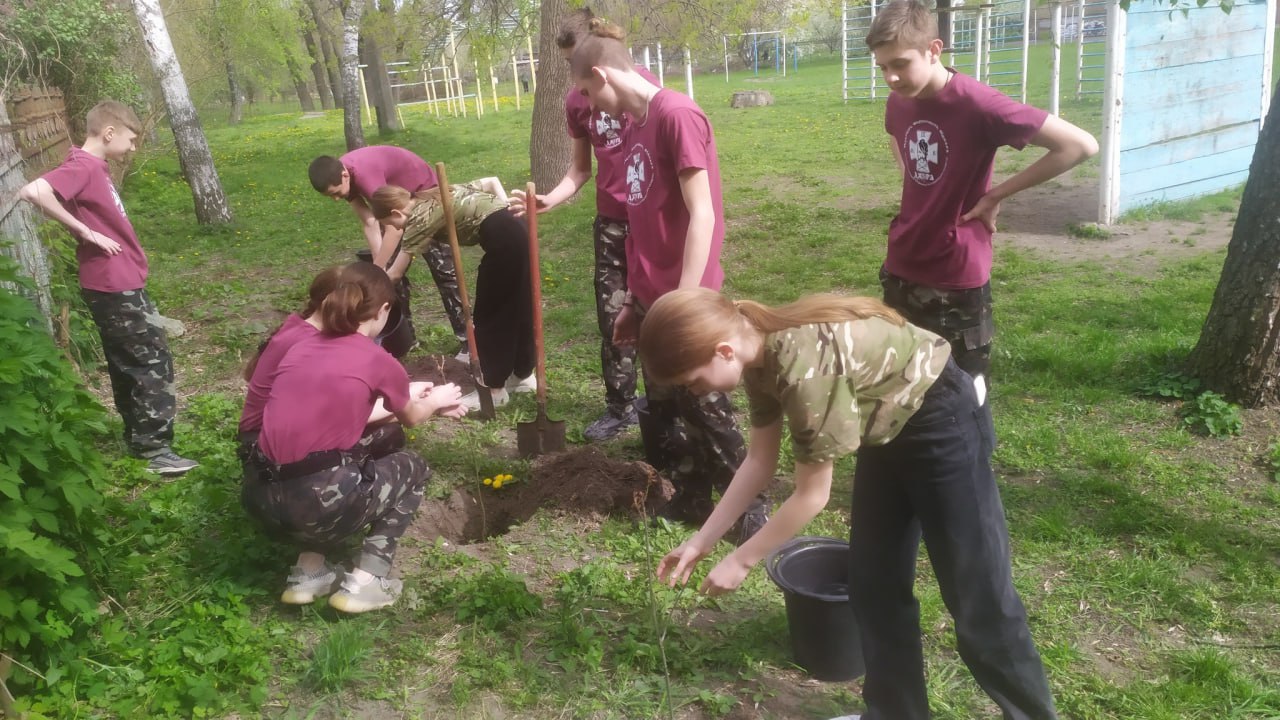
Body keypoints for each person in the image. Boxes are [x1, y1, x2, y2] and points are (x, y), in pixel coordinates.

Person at [647, 287, 1058, 720]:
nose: (694, 393)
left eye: (692, 381)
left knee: (978, 595)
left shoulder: (803, 368)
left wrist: (744, 560)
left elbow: (812, 495)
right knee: (874, 586)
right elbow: (759, 461)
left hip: (940, 421)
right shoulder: (758, 356)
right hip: (887, 429)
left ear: (723, 350)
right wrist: (703, 541)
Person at [569, 20, 766, 541]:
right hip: (653, 298)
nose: (590, 107)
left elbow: (702, 214)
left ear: (601, 73)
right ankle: (692, 495)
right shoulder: (633, 126)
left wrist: (687, 298)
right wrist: (636, 301)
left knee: (705, 402)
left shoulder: (677, 115)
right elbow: (639, 224)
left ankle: (751, 507)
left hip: (686, 297)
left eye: (588, 93)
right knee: (668, 404)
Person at [868, 0, 1098, 382]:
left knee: (963, 396)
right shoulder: (899, 101)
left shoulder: (978, 104)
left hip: (955, 276)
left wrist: (996, 195)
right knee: (903, 390)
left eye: (900, 64)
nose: (891, 78)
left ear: (934, 50)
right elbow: (897, 135)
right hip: (901, 267)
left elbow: (1079, 145)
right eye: (883, 68)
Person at [241, 263, 466, 613]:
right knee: (415, 468)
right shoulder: (377, 358)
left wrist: (411, 397)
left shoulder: (301, 348)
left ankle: (309, 570)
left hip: (261, 501)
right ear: (384, 310)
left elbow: (343, 413)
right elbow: (413, 419)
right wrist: (436, 401)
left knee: (380, 439)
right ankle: (367, 581)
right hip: (317, 505)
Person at [17, 100, 197, 476]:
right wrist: (85, 231)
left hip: (117, 282)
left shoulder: (93, 167)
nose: (133, 148)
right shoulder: (82, 165)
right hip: (115, 284)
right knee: (151, 363)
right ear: (109, 132)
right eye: (131, 140)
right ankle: (155, 452)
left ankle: (140, 441)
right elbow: (34, 191)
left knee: (128, 362)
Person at [508, 7, 657, 442]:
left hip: (648, 221)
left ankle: (663, 400)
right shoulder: (576, 101)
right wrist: (548, 199)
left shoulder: (643, 84)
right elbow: (579, 169)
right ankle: (621, 406)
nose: (578, 77)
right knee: (613, 317)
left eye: (581, 64)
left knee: (658, 313)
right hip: (611, 223)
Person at [370, 180, 535, 412]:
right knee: (518, 306)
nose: (398, 229)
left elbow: (396, 273)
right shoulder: (437, 192)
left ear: (397, 211)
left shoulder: (419, 216)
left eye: (393, 224)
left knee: (491, 315)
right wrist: (504, 200)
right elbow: (488, 182)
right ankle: (522, 375)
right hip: (518, 228)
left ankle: (493, 390)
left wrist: (369, 293)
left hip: (505, 241)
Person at [308, 146, 469, 358]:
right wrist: (380, 266)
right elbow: (369, 221)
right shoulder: (342, 175)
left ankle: (467, 338)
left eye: (336, 193)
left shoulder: (365, 178)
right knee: (390, 279)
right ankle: (405, 339)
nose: (337, 199)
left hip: (424, 199)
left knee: (444, 272)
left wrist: (378, 268)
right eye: (331, 196)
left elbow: (392, 228)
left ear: (344, 175)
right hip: (395, 208)